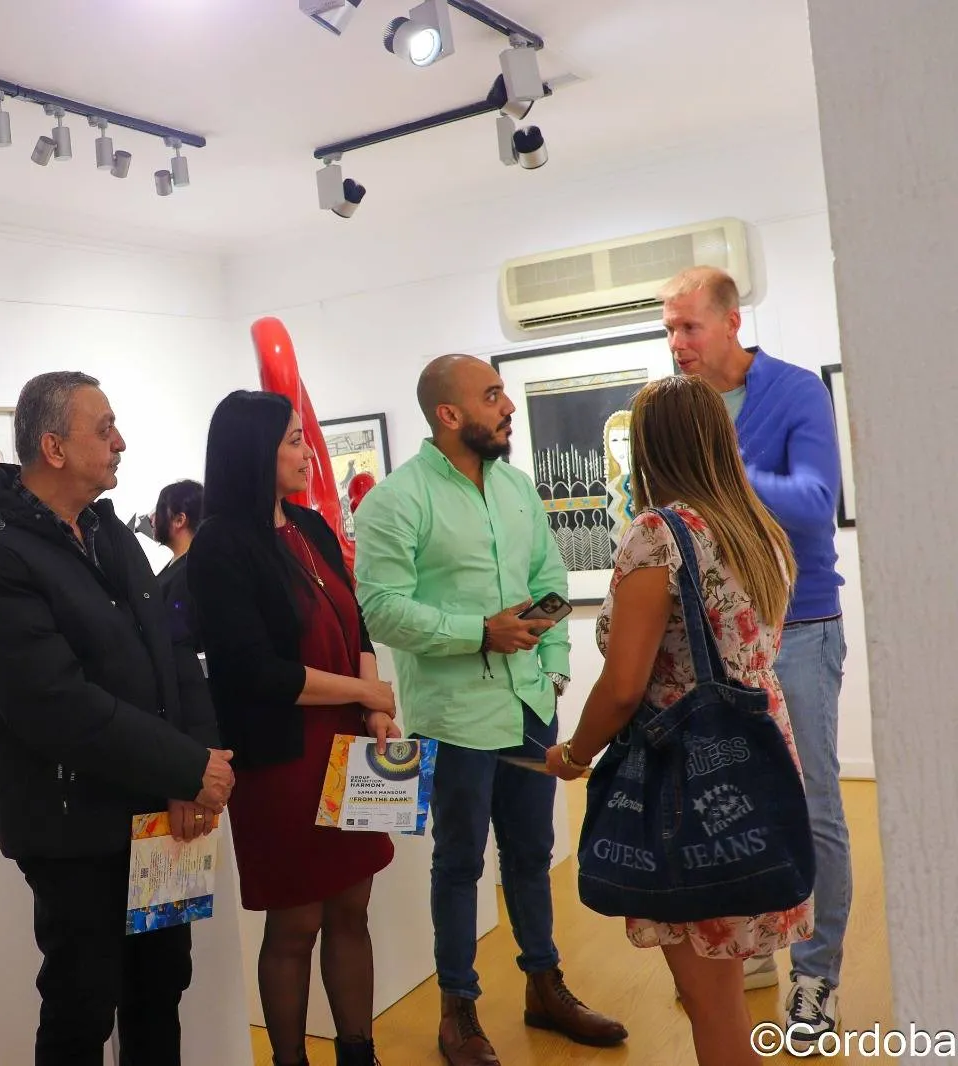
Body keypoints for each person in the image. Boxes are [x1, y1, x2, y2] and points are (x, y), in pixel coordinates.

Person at [0, 371, 232, 1066]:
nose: (120, 442)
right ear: (54, 448)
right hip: (73, 827)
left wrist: (192, 769)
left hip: (157, 813)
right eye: (104, 430)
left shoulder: (107, 533)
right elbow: (56, 706)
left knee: (160, 987)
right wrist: (186, 765)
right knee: (82, 1004)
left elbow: (172, 652)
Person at [353, 355, 626, 1066]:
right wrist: (479, 632)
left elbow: (550, 578)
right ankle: (458, 1009)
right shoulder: (396, 500)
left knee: (532, 855)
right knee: (458, 864)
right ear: (450, 415)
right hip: (454, 719)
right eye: (492, 395)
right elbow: (380, 610)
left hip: (529, 704)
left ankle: (544, 986)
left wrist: (555, 666)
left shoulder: (514, 487)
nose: (507, 408)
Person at [545, 375, 813, 1066]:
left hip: (688, 778)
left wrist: (575, 754)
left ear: (648, 447)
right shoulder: (756, 528)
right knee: (723, 991)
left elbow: (623, 686)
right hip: (756, 761)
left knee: (711, 1004)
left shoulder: (659, 534)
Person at [660, 265, 849, 1040]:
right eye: (669, 329)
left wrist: (724, 475)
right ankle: (759, 949)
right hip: (716, 638)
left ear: (732, 322)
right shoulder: (680, 404)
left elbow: (815, 501)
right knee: (734, 801)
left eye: (690, 327)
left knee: (813, 805)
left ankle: (817, 977)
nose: (677, 343)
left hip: (798, 626)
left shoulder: (795, 391)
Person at [187, 391, 397, 1066]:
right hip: (282, 758)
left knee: (353, 908)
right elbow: (256, 672)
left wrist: (375, 706)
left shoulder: (309, 526)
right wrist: (365, 691)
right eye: (292, 440)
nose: (308, 451)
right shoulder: (221, 544)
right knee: (296, 921)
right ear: (254, 452)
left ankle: (358, 1051)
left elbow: (356, 626)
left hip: (351, 744)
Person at [152, 479, 202, 647]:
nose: (152, 517)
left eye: (159, 510)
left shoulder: (190, 571)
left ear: (180, 520)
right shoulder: (179, 565)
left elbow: (175, 635)